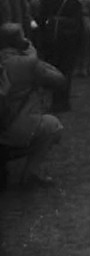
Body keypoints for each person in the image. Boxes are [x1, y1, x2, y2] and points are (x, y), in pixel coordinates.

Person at [0, 23, 67, 189]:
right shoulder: (27, 63)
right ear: (20, 41)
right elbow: (59, 80)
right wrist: (32, 52)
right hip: (12, 130)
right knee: (53, 126)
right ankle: (31, 172)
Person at [38, 0, 83, 113]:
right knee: (66, 70)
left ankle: (55, 101)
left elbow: (41, 19)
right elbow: (79, 22)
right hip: (69, 39)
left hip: (52, 38)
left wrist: (44, 36)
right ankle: (64, 101)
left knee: (54, 68)